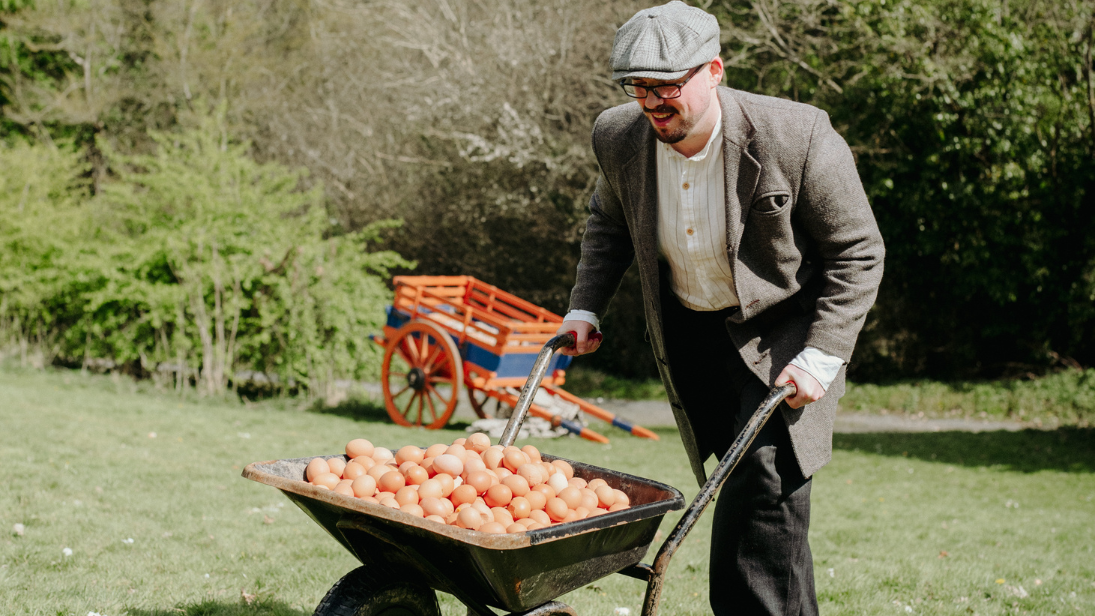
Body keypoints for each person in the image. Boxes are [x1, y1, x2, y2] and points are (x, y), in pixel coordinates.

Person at [557, 2, 885, 614]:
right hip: (692, 339)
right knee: (754, 510)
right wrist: (585, 309)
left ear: (714, 70)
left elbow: (858, 252)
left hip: (784, 340)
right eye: (638, 87)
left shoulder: (798, 135)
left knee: (763, 493)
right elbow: (609, 224)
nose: (651, 102)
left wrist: (823, 356)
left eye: (667, 85)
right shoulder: (619, 136)